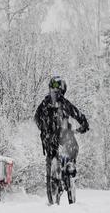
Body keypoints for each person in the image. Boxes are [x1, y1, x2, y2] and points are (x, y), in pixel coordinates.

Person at [33, 75, 89, 204]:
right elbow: (79, 115)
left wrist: (44, 129)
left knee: (51, 158)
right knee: (73, 147)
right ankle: (69, 166)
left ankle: (52, 185)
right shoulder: (64, 103)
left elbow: (36, 118)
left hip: (48, 139)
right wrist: (84, 126)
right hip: (63, 137)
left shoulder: (44, 103)